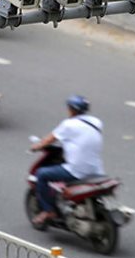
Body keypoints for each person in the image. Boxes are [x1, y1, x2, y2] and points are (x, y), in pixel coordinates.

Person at [30, 95, 105, 225]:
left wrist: (37, 146)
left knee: (41, 174)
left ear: (72, 109)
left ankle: (48, 210)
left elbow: (49, 140)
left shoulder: (69, 125)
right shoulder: (96, 122)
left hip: (76, 171)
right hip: (96, 170)